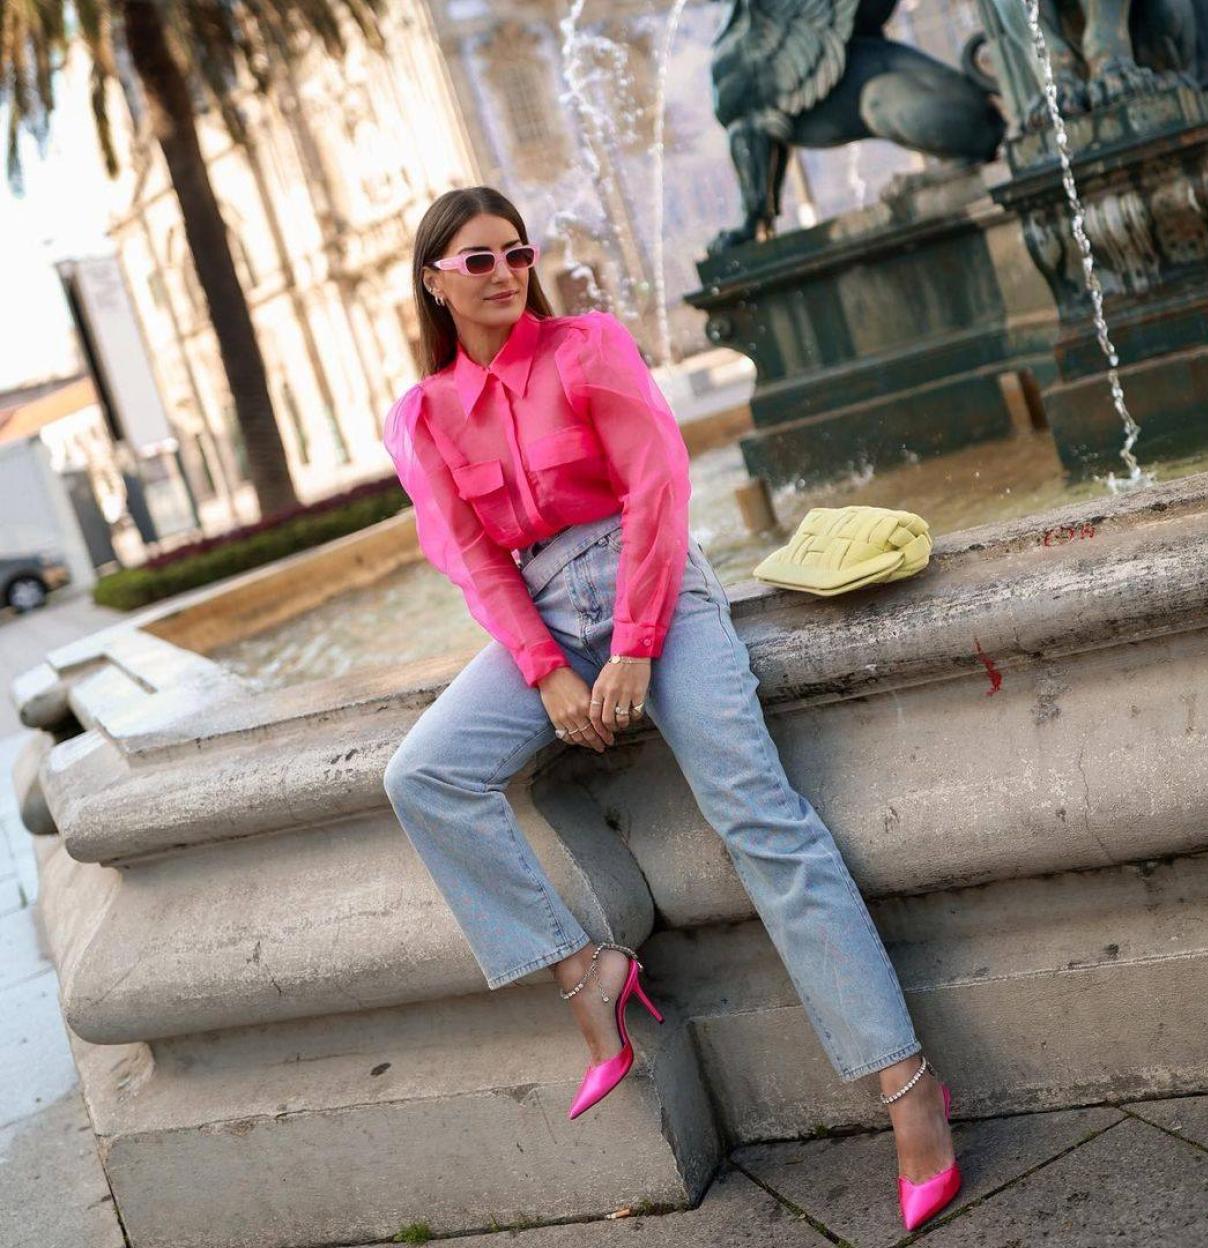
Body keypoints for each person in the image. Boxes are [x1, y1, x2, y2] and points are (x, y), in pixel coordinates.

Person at [380, 185, 960, 1230]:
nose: (505, 271)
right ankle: (585, 968)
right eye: (477, 261)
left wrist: (636, 649)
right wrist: (549, 670)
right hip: (547, 608)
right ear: (434, 282)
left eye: (516, 252)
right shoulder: (422, 415)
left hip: (659, 589)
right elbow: (472, 559)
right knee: (422, 775)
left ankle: (909, 1087)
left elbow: (657, 492)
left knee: (758, 818)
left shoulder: (588, 347)